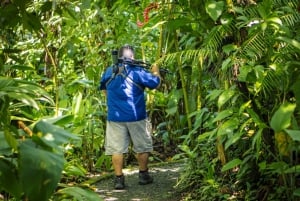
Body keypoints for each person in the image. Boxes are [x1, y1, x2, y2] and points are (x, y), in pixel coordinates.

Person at [99, 44, 161, 189]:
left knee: (117, 149)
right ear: (132, 56)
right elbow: (156, 84)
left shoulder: (109, 71)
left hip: (115, 117)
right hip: (136, 116)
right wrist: (156, 71)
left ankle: (119, 179)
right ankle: (143, 175)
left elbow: (104, 90)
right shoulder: (137, 71)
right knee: (142, 147)